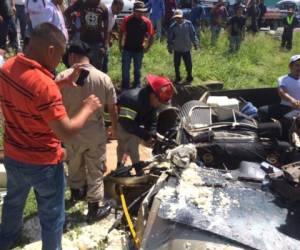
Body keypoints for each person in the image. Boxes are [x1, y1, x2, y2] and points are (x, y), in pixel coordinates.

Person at [0, 23, 101, 250]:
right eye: (61, 56)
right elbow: (65, 131)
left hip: (14, 155)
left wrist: (61, 83)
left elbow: (30, 90)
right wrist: (88, 108)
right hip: (43, 164)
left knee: (14, 201)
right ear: (51, 50)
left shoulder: (8, 67)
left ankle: (6, 239)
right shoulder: (45, 86)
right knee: (52, 216)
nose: (61, 62)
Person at [58, 40, 118, 224]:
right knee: (95, 170)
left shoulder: (62, 76)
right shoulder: (103, 77)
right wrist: (114, 129)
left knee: (74, 164)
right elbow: (113, 108)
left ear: (73, 56)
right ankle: (93, 209)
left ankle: (77, 195)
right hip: (94, 132)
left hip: (71, 130)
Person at [116, 74, 174, 175]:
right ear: (153, 95)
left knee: (129, 143)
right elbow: (127, 124)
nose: (160, 105)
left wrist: (152, 133)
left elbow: (152, 121)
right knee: (130, 143)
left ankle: (120, 166)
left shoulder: (152, 101)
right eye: (159, 101)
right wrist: (145, 136)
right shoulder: (131, 99)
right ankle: (137, 170)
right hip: (120, 122)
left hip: (133, 123)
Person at [119, 1, 154, 90]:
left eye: (142, 11)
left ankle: (137, 85)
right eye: (139, 11)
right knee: (125, 68)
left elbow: (151, 35)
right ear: (134, 10)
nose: (141, 13)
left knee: (137, 69)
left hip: (139, 49)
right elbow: (121, 31)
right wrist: (120, 44)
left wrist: (147, 47)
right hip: (127, 48)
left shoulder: (147, 22)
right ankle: (125, 86)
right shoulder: (127, 19)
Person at [65, 0, 109, 70]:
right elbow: (67, 12)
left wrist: (104, 45)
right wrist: (75, 28)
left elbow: (106, 28)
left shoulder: (103, 8)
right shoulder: (82, 3)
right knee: (82, 68)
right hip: (83, 43)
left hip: (97, 43)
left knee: (96, 69)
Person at [167, 9, 199, 83]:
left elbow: (193, 35)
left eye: (179, 17)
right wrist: (170, 48)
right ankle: (178, 77)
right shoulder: (173, 27)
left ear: (182, 17)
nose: (177, 19)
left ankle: (189, 76)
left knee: (189, 64)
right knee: (176, 64)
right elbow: (170, 39)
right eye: (176, 17)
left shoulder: (188, 24)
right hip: (177, 48)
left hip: (187, 48)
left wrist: (195, 43)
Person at [102, 0, 124, 73]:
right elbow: (102, 29)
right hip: (100, 40)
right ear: (113, 5)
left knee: (105, 61)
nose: (119, 11)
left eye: (121, 9)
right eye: (118, 8)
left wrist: (111, 37)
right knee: (100, 63)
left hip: (105, 40)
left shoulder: (114, 14)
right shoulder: (106, 12)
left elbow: (109, 29)